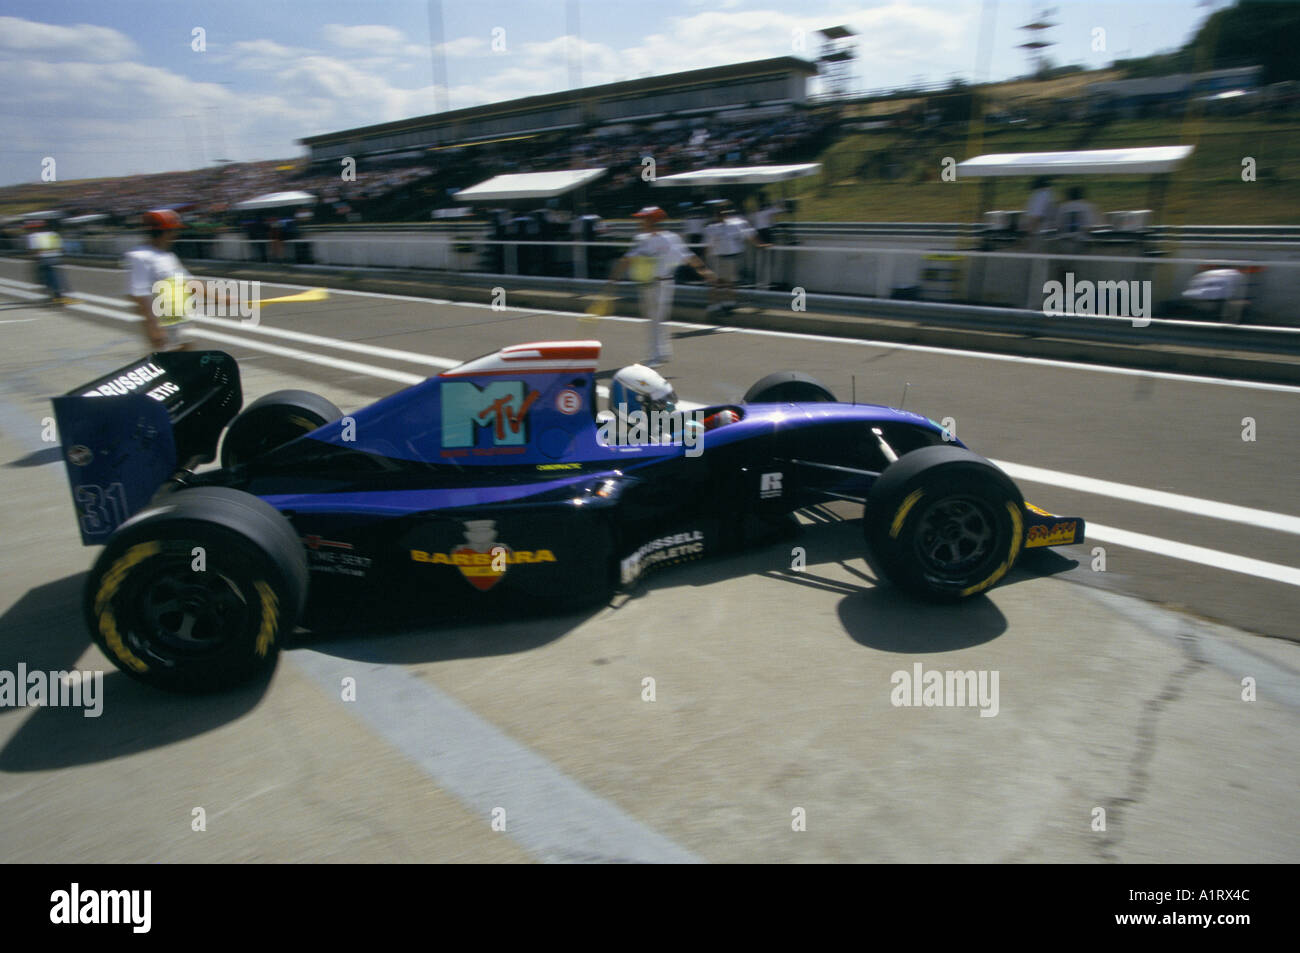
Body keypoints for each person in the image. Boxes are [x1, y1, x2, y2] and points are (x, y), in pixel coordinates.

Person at [603, 206, 714, 367]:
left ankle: (655, 357)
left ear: (653, 220)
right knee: (657, 320)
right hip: (649, 283)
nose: (640, 222)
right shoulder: (642, 238)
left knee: (655, 321)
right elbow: (628, 259)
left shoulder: (669, 238)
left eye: (643, 218)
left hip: (662, 282)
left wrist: (704, 271)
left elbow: (688, 256)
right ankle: (663, 352)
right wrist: (615, 277)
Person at [127, 209, 194, 351]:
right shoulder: (140, 256)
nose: (176, 235)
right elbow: (139, 295)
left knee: (186, 358)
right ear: (164, 232)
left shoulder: (168, 256)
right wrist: (153, 327)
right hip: (163, 324)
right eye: (173, 231)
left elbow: (189, 284)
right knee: (169, 364)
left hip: (179, 319)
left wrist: (224, 298)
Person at [704, 200, 768, 314]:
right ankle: (714, 305)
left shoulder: (737, 224)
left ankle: (729, 303)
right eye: (719, 213)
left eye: (724, 212)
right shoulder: (712, 228)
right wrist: (705, 263)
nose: (722, 215)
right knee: (717, 282)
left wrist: (760, 244)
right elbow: (708, 245)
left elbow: (750, 234)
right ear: (716, 214)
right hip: (719, 257)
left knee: (732, 282)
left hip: (733, 257)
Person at [26, 220, 67, 303]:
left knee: (45, 274)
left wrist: (35, 258)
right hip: (56, 257)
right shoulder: (54, 234)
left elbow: (33, 250)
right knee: (53, 273)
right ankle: (57, 290)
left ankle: (53, 291)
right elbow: (62, 247)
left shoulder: (34, 236)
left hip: (44, 258)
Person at [1022, 176, 1057, 246]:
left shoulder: (1040, 195)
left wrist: (1029, 235)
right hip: (1046, 233)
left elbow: (1037, 216)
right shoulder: (1049, 194)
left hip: (1037, 234)